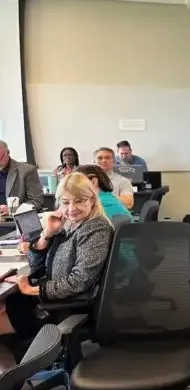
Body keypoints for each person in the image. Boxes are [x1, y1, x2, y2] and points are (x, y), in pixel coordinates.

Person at [0, 172, 113, 366]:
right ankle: (11, 384)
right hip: (52, 298)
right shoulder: (70, 225)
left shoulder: (96, 228)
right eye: (65, 202)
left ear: (92, 200)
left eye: (79, 201)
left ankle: (10, 385)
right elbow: (36, 265)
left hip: (67, 306)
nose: (71, 208)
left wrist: (31, 289)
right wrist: (46, 234)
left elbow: (80, 281)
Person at [0, 140, 43, 214]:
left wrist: (13, 210)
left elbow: (37, 201)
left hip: (14, 222)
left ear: (8, 152)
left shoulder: (27, 170)